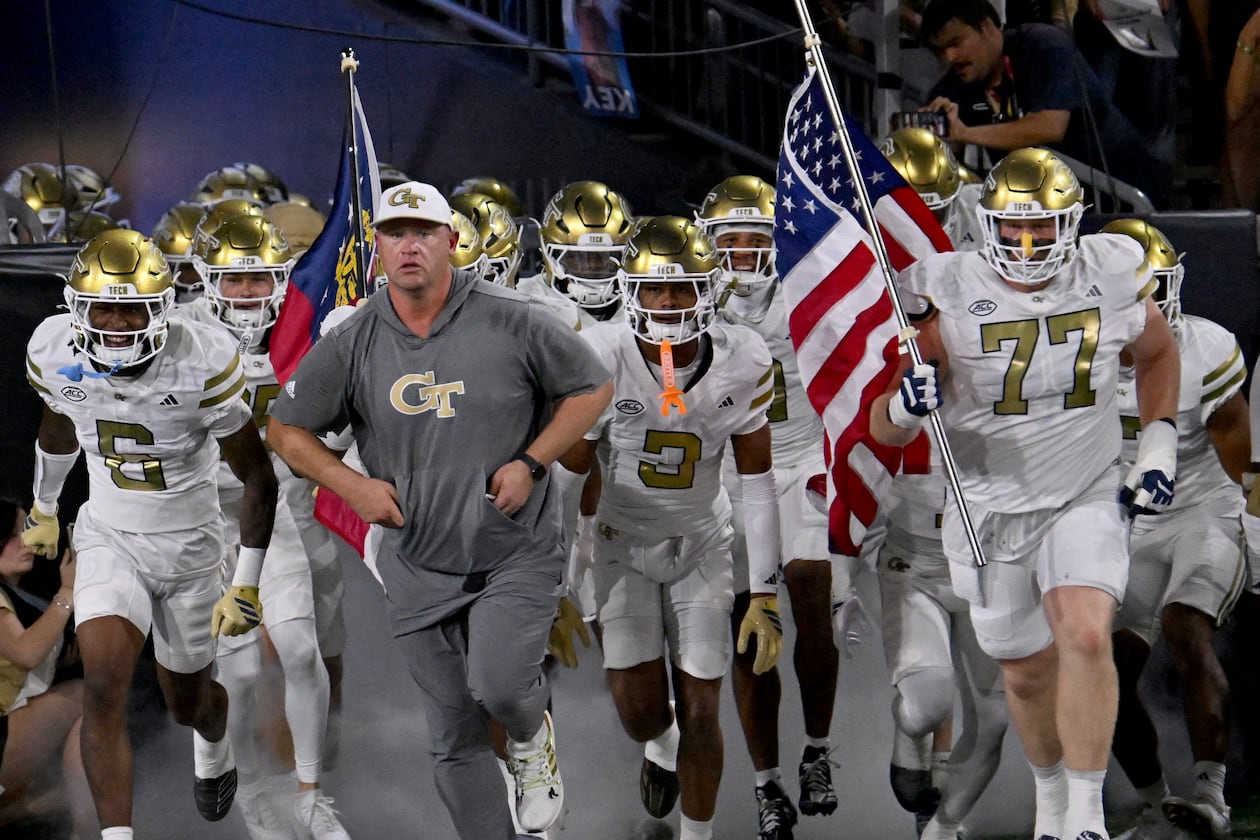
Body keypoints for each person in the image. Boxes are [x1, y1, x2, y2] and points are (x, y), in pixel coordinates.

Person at [266, 181, 612, 840]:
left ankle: (531, 734)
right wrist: (350, 486)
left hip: (512, 549)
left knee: (502, 686)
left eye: (422, 231)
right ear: (378, 247)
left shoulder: (514, 314)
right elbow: (285, 430)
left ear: (451, 242)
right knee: (452, 733)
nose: (408, 246)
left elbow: (594, 388)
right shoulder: (357, 332)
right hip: (417, 559)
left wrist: (532, 461)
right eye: (395, 233)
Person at [869, 147, 1181, 840]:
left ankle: (1088, 816)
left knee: (1086, 631)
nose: (1030, 243)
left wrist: (1156, 441)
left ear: (1072, 224)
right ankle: (1050, 804)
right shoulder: (943, 288)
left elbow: (1157, 351)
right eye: (1014, 230)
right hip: (987, 508)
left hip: (1086, 488)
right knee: (1029, 676)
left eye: (1044, 227)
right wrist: (903, 409)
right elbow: (882, 428)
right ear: (988, 227)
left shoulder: (1109, 271)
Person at [22, 228, 278, 840]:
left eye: (131, 306)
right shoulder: (56, 349)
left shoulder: (203, 358)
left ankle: (214, 744)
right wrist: (45, 506)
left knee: (188, 704)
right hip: (110, 536)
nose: (115, 322)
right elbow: (58, 428)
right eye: (102, 306)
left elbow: (259, 478)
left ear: (162, 305)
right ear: (75, 307)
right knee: (103, 687)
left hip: (190, 548)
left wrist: (245, 584)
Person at [558, 216, 784, 840]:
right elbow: (569, 477)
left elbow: (758, 480)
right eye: (653, 288)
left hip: (702, 544)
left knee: (704, 706)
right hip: (619, 544)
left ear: (709, 290)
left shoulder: (744, 357)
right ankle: (659, 745)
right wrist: (556, 581)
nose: (666, 302)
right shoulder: (601, 353)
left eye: (681, 287)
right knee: (639, 712)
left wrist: (762, 590)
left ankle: (697, 835)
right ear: (630, 289)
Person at [184, 213, 351, 840]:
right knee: (243, 674)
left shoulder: (303, 331)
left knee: (309, 655)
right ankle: (252, 783)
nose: (250, 292)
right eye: (235, 278)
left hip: (277, 514)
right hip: (203, 521)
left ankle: (311, 794)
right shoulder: (180, 333)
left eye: (261, 277)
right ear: (205, 280)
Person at [695, 176, 842, 839]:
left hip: (802, 457)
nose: (748, 255)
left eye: (760, 240)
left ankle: (817, 748)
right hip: (728, 474)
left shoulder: (812, 293)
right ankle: (767, 784)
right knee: (749, 626)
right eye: (734, 241)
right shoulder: (688, 305)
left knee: (809, 585)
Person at [876, 133, 1010, 840]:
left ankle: (943, 828)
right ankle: (908, 746)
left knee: (995, 717)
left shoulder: (991, 290)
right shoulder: (864, 302)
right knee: (927, 701)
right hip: (915, 542)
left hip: (994, 540)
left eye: (927, 208)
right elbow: (859, 421)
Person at [1102, 220, 1247, 840]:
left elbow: (1242, 460)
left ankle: (1211, 795)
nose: (1146, 309)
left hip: (1203, 510)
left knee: (1187, 628)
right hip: (1123, 522)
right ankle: (1154, 801)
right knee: (1097, 660)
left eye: (1153, 290)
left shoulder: (1205, 348)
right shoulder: (1066, 355)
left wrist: (1259, 538)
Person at [918, 0, 1163, 206]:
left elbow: (1049, 127)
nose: (949, 57)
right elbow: (952, 161)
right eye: (940, 51)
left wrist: (966, 133)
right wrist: (935, 139)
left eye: (955, 43)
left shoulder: (1043, 44)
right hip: (1045, 208)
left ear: (987, 27)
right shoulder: (954, 85)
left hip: (1119, 191)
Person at [0, 498, 94, 839]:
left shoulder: (16, 599)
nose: (25, 541)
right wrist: (68, 590)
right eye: (12, 534)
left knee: (60, 794)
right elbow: (25, 652)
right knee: (91, 699)